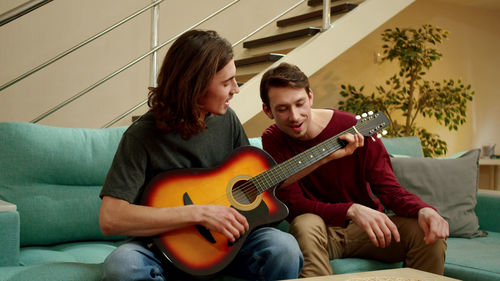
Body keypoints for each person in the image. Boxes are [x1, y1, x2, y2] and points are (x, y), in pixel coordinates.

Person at [98, 30, 303, 281]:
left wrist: (327, 156)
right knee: (123, 265)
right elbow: (110, 218)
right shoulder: (141, 136)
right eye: (226, 83)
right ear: (194, 85)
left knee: (284, 248)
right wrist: (200, 213)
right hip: (161, 250)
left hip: (228, 246)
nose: (236, 90)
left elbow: (257, 182)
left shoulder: (227, 120)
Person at [259, 62, 449, 278]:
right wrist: (350, 209)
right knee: (305, 223)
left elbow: (389, 189)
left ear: (310, 97)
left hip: (367, 231)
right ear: (268, 110)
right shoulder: (272, 139)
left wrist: (423, 209)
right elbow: (293, 204)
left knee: (425, 235)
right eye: (282, 109)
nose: (294, 116)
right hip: (319, 232)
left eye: (300, 103)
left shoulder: (353, 128)